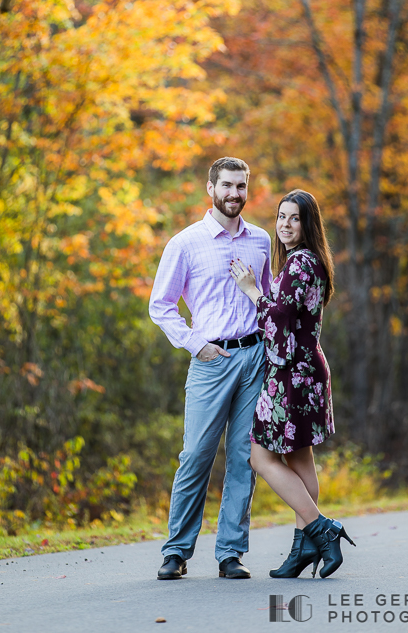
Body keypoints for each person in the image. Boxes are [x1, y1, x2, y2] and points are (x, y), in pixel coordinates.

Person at [149, 157, 272, 580]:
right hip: (210, 361)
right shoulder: (185, 243)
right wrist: (196, 344)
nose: (235, 194)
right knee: (196, 455)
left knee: (244, 458)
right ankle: (177, 551)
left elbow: (268, 300)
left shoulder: (260, 241)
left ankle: (231, 554)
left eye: (241, 186)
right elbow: (160, 306)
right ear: (210, 188)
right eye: (227, 186)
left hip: (254, 357)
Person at [229, 189, 356, 579]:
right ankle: (302, 550)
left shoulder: (300, 263)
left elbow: (278, 319)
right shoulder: (314, 261)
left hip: (290, 376)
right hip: (308, 370)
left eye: (294, 218)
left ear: (308, 223)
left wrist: (252, 290)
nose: (284, 224)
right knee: (300, 461)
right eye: (281, 217)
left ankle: (322, 529)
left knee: (260, 458)